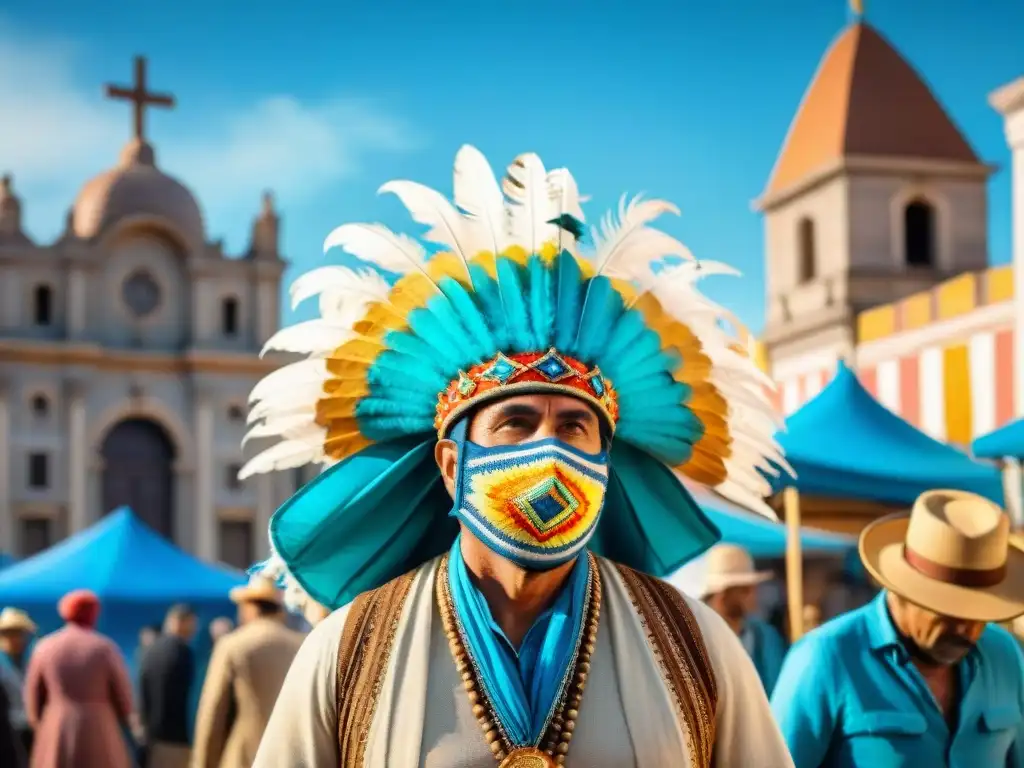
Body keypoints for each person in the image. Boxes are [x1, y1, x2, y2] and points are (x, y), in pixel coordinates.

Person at [243, 146, 794, 766]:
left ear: (606, 467)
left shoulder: (695, 647)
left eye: (576, 427)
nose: (550, 450)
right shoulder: (347, 653)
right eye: (516, 422)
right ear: (452, 466)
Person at [772, 489, 1024, 767]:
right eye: (950, 610)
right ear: (903, 588)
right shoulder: (825, 657)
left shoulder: (1005, 656)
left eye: (980, 611)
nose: (968, 627)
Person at [191, 576, 304, 768]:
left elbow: (212, 713)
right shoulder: (302, 643)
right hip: (292, 757)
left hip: (245, 757)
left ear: (249, 607)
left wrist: (202, 763)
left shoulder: (233, 645)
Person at [24, 589, 134, 768]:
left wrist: (41, 725)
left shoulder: (44, 647)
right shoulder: (104, 648)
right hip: (100, 728)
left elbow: (34, 698)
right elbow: (123, 698)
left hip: (56, 726)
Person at [700, 544, 787, 695]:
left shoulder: (766, 635)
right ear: (722, 595)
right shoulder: (692, 636)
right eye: (745, 590)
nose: (754, 595)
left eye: (754, 588)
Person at [138, 604, 196, 768]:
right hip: (177, 738)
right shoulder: (183, 652)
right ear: (181, 622)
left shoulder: (149, 650)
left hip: (152, 738)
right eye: (192, 624)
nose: (193, 630)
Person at [0, 608, 36, 759]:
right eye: (8, 633)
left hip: (29, 726)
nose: (14, 639)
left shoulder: (32, 660)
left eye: (18, 633)